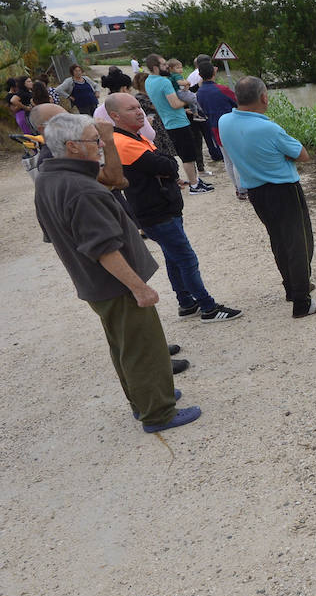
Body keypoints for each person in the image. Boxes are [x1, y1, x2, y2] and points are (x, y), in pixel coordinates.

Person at [32, 113, 200, 432]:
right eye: (92, 140)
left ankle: (146, 399)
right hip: (117, 286)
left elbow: (111, 181)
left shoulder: (48, 177)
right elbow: (104, 249)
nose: (98, 144)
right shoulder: (82, 190)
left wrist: (107, 142)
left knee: (125, 345)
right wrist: (139, 288)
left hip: (95, 285)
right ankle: (158, 413)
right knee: (143, 348)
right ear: (72, 146)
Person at [106, 93, 243, 323]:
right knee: (186, 259)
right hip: (156, 212)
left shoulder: (133, 137)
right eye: (131, 109)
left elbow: (164, 164)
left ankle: (186, 303)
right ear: (115, 116)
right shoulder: (123, 142)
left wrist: (167, 172)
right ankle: (208, 308)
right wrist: (167, 171)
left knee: (174, 258)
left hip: (159, 208)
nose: (139, 111)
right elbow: (166, 163)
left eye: (139, 106)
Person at [219, 76, 316, 319]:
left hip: (256, 192)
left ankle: (292, 288)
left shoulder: (224, 121)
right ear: (263, 97)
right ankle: (302, 302)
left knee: (279, 240)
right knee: (300, 243)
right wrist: (281, 157)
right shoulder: (268, 127)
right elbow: (302, 154)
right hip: (284, 190)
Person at [142, 53, 212, 193]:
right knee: (188, 155)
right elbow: (174, 104)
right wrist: (190, 100)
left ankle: (196, 180)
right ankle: (194, 185)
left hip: (169, 121)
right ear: (155, 67)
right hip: (178, 122)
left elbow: (163, 102)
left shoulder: (149, 81)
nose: (166, 66)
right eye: (163, 64)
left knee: (186, 153)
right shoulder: (164, 82)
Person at [193, 61, 243, 198]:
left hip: (215, 128)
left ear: (199, 75)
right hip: (231, 127)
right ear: (214, 72)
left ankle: (237, 188)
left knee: (228, 160)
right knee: (237, 160)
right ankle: (242, 189)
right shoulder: (222, 89)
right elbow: (239, 103)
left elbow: (201, 111)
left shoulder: (200, 93)